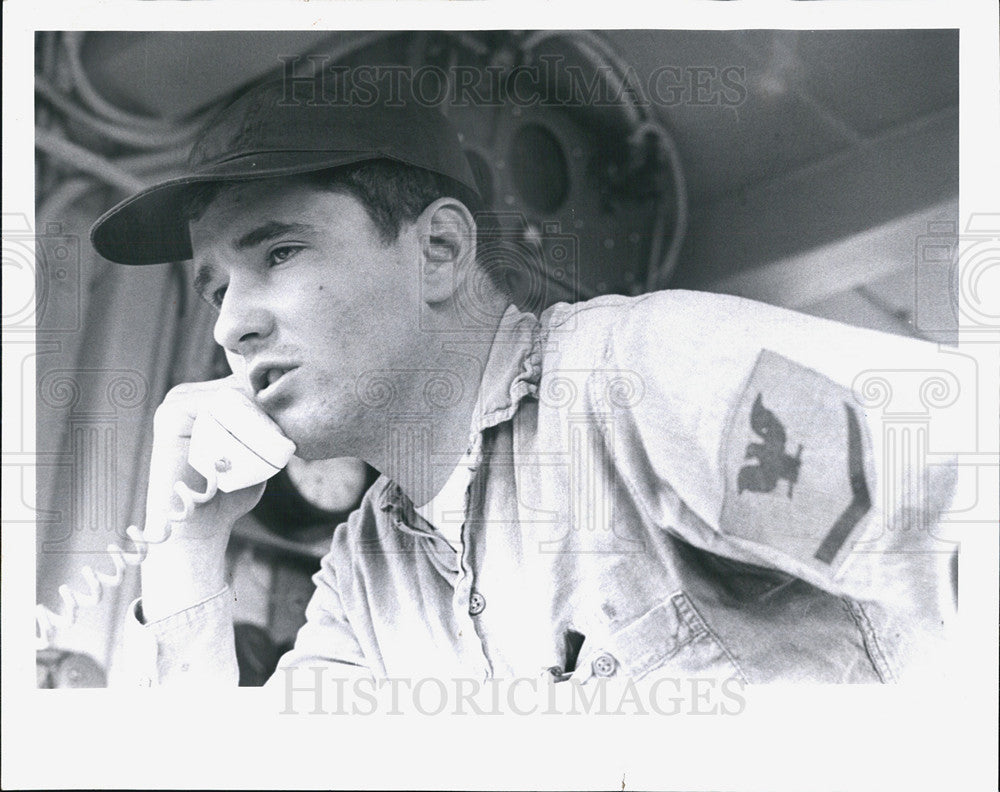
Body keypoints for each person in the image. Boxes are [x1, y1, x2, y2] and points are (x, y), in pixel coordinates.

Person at [90, 75, 958, 688]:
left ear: (438, 251)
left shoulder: (639, 378)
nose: (227, 325)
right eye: (213, 287)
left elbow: (964, 502)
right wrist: (186, 552)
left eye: (278, 252)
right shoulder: (365, 580)